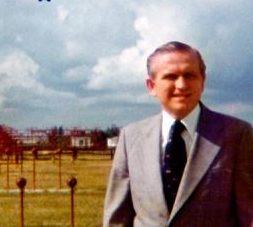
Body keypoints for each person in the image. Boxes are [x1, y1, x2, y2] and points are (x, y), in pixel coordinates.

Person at [103, 41, 253, 227]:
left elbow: (249, 213)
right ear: (151, 86)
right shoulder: (131, 137)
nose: (182, 85)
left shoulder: (237, 135)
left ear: (202, 81)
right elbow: (117, 218)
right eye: (171, 76)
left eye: (189, 75)